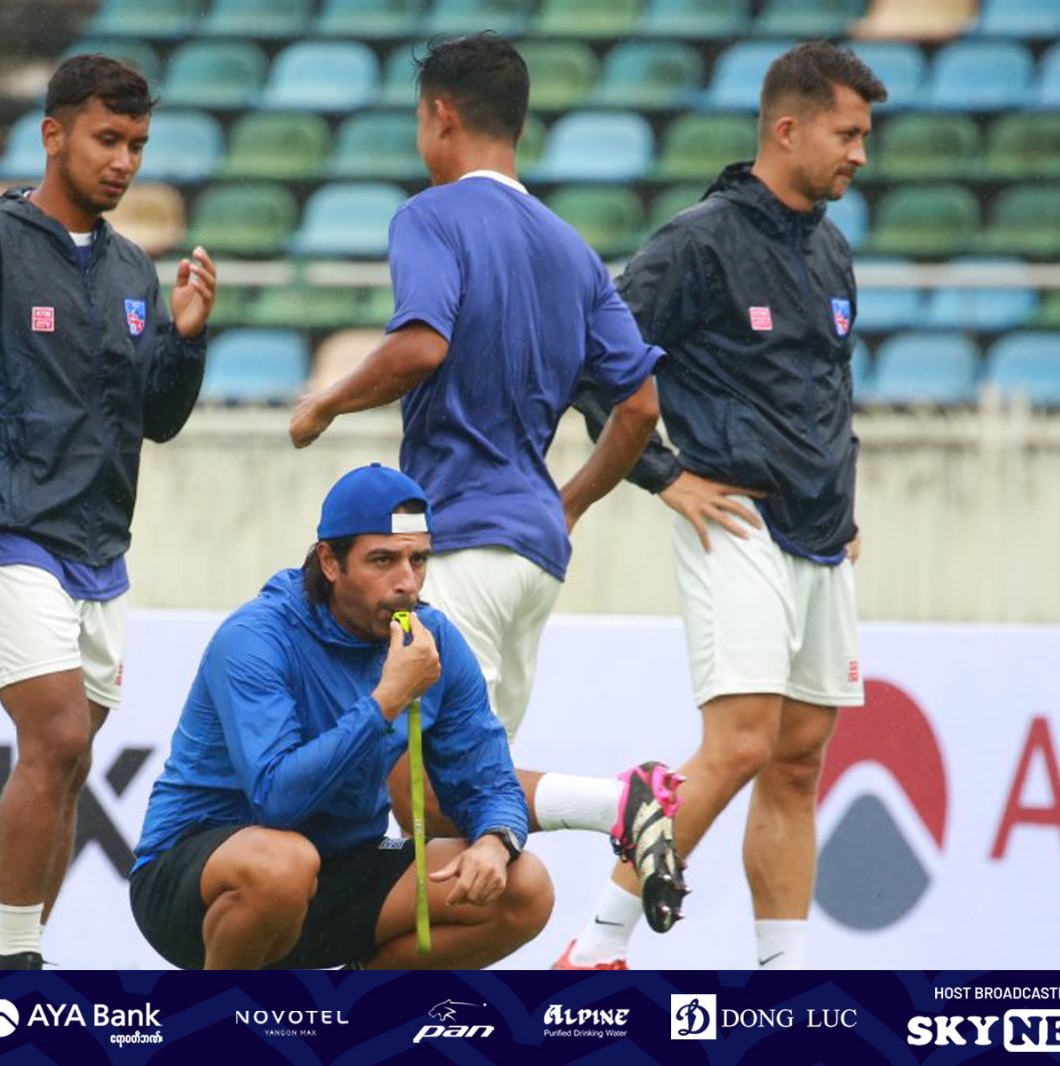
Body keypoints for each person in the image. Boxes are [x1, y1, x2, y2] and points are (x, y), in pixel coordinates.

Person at [286, 34, 685, 958]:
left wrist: (327, 401)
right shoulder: (574, 250)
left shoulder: (431, 217)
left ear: (441, 116)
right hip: (533, 549)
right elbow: (639, 404)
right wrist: (570, 501)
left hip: (454, 537)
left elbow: (422, 343)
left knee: (408, 771)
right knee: (462, 814)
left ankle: (617, 801)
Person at [0, 54, 216, 970]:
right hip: (3, 530)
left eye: (137, 145)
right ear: (53, 134)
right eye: (107, 139)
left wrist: (186, 339)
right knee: (60, 734)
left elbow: (157, 417)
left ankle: (28, 952)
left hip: (100, 548)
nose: (124, 161)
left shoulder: (131, 268)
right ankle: (12, 965)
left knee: (72, 761)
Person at [569, 41, 885, 970]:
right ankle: (594, 951)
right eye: (848, 132)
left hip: (824, 539)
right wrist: (665, 477)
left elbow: (827, 389)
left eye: (866, 135)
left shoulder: (831, 249)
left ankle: (780, 979)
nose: (862, 153)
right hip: (736, 522)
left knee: (797, 758)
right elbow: (595, 368)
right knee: (741, 742)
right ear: (788, 129)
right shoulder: (698, 239)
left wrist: (846, 505)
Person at [130, 464, 553, 970]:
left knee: (524, 887)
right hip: (199, 881)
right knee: (283, 865)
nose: (406, 583)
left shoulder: (431, 637)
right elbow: (278, 800)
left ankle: (347, 1026)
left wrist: (494, 841)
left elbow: (488, 779)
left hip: (340, 870)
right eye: (383, 560)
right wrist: (385, 701)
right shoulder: (254, 638)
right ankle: (216, 1031)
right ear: (330, 562)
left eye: (419, 560)